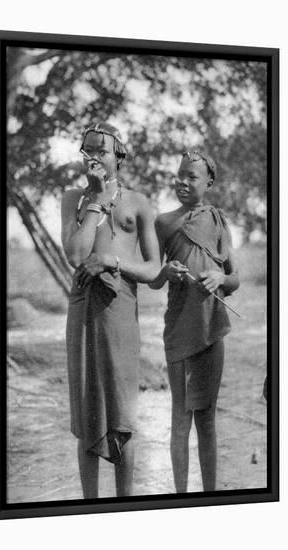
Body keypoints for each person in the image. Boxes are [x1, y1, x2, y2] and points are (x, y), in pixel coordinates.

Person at [61, 122, 160, 498]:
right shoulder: (73, 200)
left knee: (122, 418)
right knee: (87, 416)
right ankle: (90, 508)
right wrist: (98, 200)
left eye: (100, 150)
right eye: (87, 150)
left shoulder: (138, 203)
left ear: (119, 154)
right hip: (83, 310)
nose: (92, 157)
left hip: (119, 311)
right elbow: (74, 255)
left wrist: (111, 261)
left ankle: (125, 507)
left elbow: (152, 270)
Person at [149, 150, 240, 493]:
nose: (182, 182)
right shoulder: (163, 222)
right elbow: (151, 278)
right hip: (179, 328)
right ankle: (180, 500)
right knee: (180, 418)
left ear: (208, 183)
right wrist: (165, 271)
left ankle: (211, 497)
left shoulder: (218, 221)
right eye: (180, 175)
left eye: (192, 177)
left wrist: (219, 278)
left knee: (207, 419)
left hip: (211, 329)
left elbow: (235, 279)